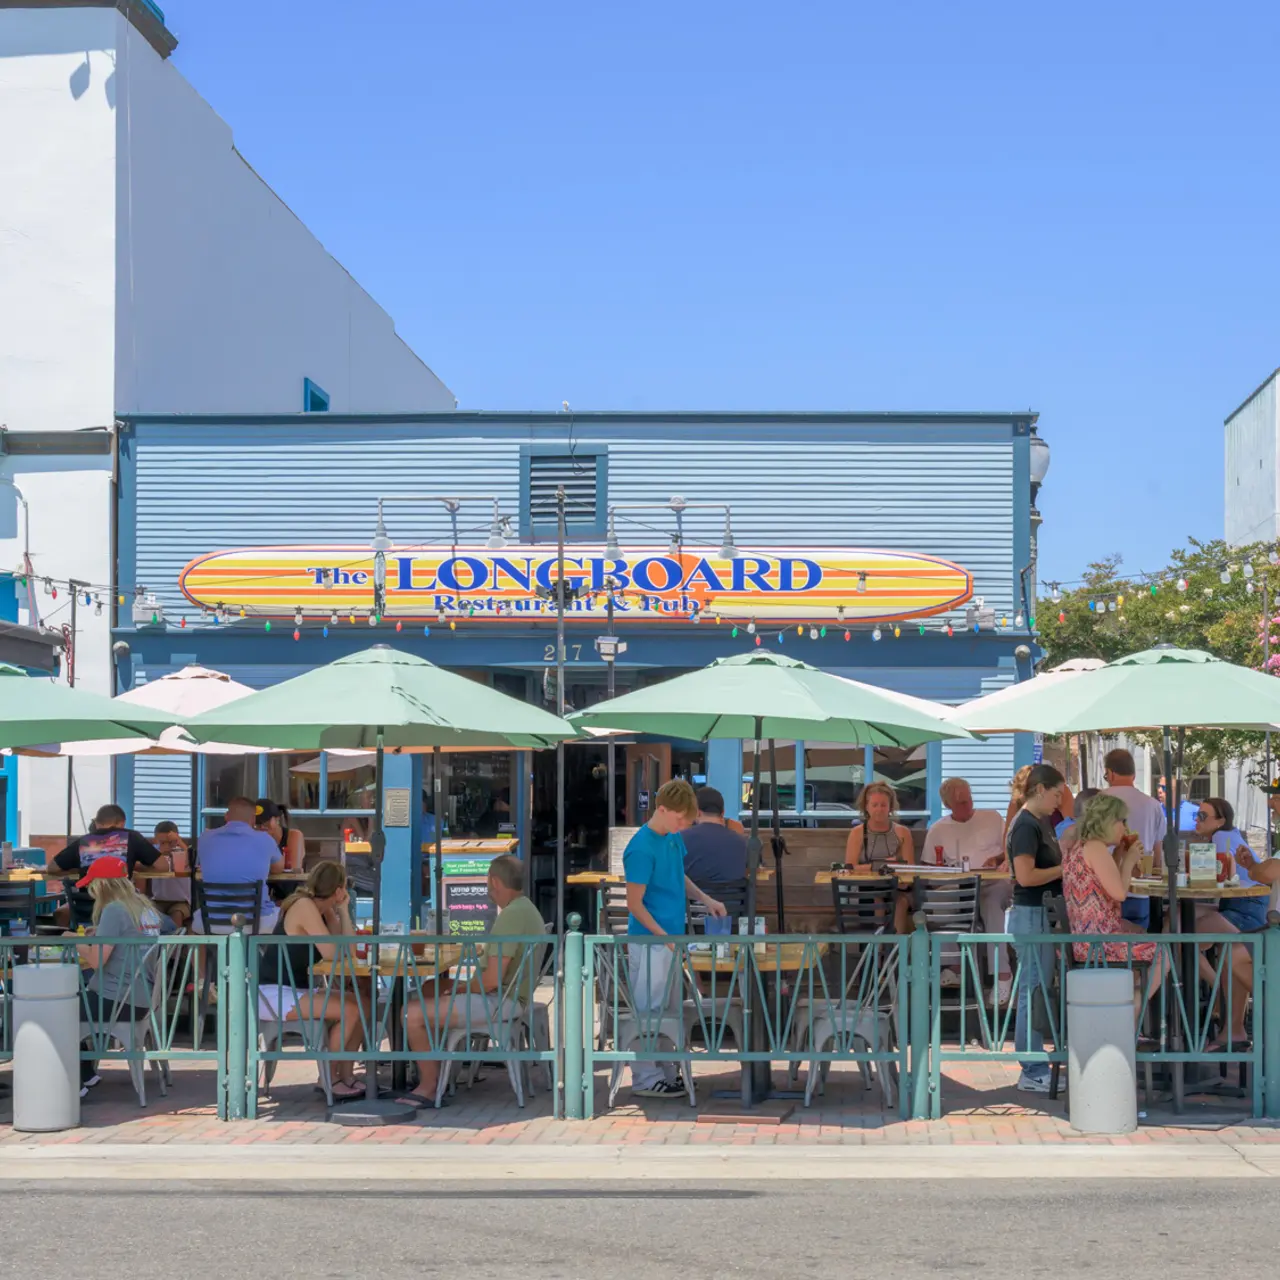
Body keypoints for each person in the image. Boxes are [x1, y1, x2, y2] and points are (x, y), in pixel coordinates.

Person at [403, 854, 547, 1104]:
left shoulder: (511, 916)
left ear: (494, 881)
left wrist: (461, 988)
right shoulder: (525, 909)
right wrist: (459, 987)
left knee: (410, 1013)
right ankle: (439, 1066)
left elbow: (491, 980)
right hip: (507, 997)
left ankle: (428, 1085)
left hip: (499, 1000)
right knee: (430, 988)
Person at [624, 779, 726, 1099]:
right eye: (680, 819)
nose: (684, 826)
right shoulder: (640, 847)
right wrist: (662, 934)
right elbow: (634, 904)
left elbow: (678, 875)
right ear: (663, 809)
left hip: (668, 938)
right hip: (650, 940)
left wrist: (705, 899)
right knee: (650, 1010)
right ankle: (644, 1076)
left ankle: (666, 1070)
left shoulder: (670, 838)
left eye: (688, 820)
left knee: (669, 1009)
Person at [256, 859, 366, 1101]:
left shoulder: (321, 910)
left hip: (296, 989)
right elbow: (332, 954)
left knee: (362, 1004)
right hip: (275, 992)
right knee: (351, 1009)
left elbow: (349, 950)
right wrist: (336, 912)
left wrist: (342, 912)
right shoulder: (304, 906)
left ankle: (346, 1074)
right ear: (339, 890)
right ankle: (329, 1077)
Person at [1062, 794, 1166, 1028]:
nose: (1125, 828)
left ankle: (1118, 1003)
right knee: (1164, 953)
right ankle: (1133, 1005)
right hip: (1099, 944)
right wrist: (1129, 861)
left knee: (1139, 931)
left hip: (1083, 938)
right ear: (1108, 821)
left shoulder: (1079, 846)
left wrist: (1120, 855)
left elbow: (1105, 884)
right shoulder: (1096, 849)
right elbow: (1119, 893)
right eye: (1122, 822)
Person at [69, 857, 163, 1097]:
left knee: (57, 1009)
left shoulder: (114, 910)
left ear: (102, 886)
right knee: (69, 1004)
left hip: (117, 998)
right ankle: (86, 1075)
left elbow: (97, 961)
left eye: (92, 887)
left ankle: (74, 1082)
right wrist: (98, 935)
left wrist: (76, 941)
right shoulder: (144, 907)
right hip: (144, 997)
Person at [924, 778, 1014, 1001]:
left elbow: (1010, 849)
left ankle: (1003, 974)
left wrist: (997, 858)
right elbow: (926, 869)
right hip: (959, 884)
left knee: (991, 904)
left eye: (969, 799)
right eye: (961, 803)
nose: (967, 805)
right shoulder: (938, 829)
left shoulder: (991, 817)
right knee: (939, 900)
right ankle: (954, 966)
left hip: (993, 883)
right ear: (948, 805)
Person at [1006, 763, 1066, 1093]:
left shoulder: (1035, 822)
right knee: (1031, 989)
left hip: (1037, 913)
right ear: (1040, 790)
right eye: (1057, 794)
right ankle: (1031, 1067)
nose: (1059, 801)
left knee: (1036, 988)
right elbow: (1025, 876)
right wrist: (1064, 868)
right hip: (1030, 913)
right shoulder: (1028, 824)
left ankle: (1036, 1064)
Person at [193, 797, 285, 931]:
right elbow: (278, 868)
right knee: (284, 917)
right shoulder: (265, 839)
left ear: (227, 816)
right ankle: (263, 952)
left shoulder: (205, 838)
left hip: (212, 921)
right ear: (253, 819)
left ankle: (203, 952)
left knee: (195, 921)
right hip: (256, 920)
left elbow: (200, 865)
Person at [1100, 749, 1166, 931]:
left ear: (1110, 773)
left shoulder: (1099, 801)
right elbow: (1157, 854)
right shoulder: (1153, 805)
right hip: (1141, 891)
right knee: (1137, 947)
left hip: (1103, 890)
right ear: (1134, 774)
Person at [846, 781, 915, 934]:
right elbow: (849, 867)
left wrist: (898, 870)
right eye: (875, 804)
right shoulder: (857, 833)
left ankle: (896, 951)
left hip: (897, 888)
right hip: (867, 889)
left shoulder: (903, 833)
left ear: (891, 807)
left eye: (883, 805)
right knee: (876, 900)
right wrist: (878, 866)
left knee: (901, 902)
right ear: (866, 806)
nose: (879, 809)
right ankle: (878, 951)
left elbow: (910, 869)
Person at [1195, 798, 1268, 932]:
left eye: (1202, 816)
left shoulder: (1220, 836)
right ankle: (1168, 952)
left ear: (1221, 822)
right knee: (1176, 915)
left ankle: (1172, 952)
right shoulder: (1229, 834)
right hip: (1244, 903)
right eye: (1196, 814)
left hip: (1247, 908)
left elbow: (1224, 876)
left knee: (1191, 931)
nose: (1197, 819)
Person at [48, 804, 170, 880]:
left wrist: (79, 869)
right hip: (121, 907)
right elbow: (163, 866)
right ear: (122, 823)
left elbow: (52, 868)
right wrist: (135, 867)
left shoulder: (83, 841)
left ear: (96, 823)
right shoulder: (132, 837)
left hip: (87, 907)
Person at [681, 786, 748, 886]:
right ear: (722, 813)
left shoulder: (682, 838)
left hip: (695, 901)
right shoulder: (742, 842)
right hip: (734, 900)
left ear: (697, 813)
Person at [148, 820, 192, 932]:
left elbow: (191, 858)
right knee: (148, 913)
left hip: (180, 901)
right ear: (155, 841)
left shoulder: (182, 852)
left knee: (177, 914)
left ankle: (173, 946)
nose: (166, 846)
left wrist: (179, 843)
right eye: (162, 843)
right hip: (158, 900)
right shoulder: (153, 855)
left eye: (170, 842)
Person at [255, 799, 306, 872]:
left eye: (266, 821)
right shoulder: (254, 837)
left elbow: (294, 869)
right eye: (257, 824)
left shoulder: (294, 835)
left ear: (277, 819)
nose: (262, 827)